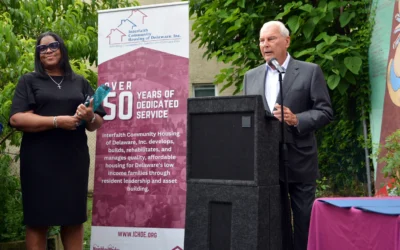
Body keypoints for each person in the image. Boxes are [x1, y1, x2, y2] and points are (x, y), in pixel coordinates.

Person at [9, 31, 106, 250]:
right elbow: (17, 118)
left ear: (62, 48)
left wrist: (89, 114)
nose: (48, 51)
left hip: (73, 159)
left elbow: (96, 122)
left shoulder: (80, 82)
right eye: (42, 48)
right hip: (39, 160)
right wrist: (56, 121)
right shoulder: (29, 80)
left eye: (52, 46)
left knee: (73, 218)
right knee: (38, 220)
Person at [243, 21, 333, 250]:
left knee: (304, 223)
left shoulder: (309, 71)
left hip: (300, 161)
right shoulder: (250, 77)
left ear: (287, 41)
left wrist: (297, 119)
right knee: (276, 225)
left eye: (271, 39)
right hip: (267, 166)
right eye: (261, 40)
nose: (265, 45)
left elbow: (325, 112)